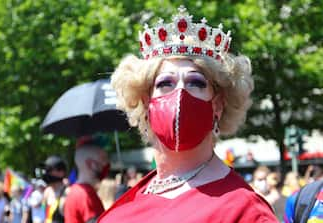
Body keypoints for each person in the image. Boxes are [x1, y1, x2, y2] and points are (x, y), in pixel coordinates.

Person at [97, 5, 278, 222]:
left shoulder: (245, 211)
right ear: (146, 102)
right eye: (165, 83)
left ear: (218, 105)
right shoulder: (122, 210)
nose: (180, 93)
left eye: (195, 83)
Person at [64, 136, 109, 223]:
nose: (106, 163)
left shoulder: (77, 190)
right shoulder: (86, 194)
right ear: (90, 164)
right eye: (103, 159)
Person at [41, 155, 68, 223]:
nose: (46, 173)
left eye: (49, 170)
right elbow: (45, 214)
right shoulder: (47, 191)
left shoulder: (68, 193)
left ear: (61, 172)